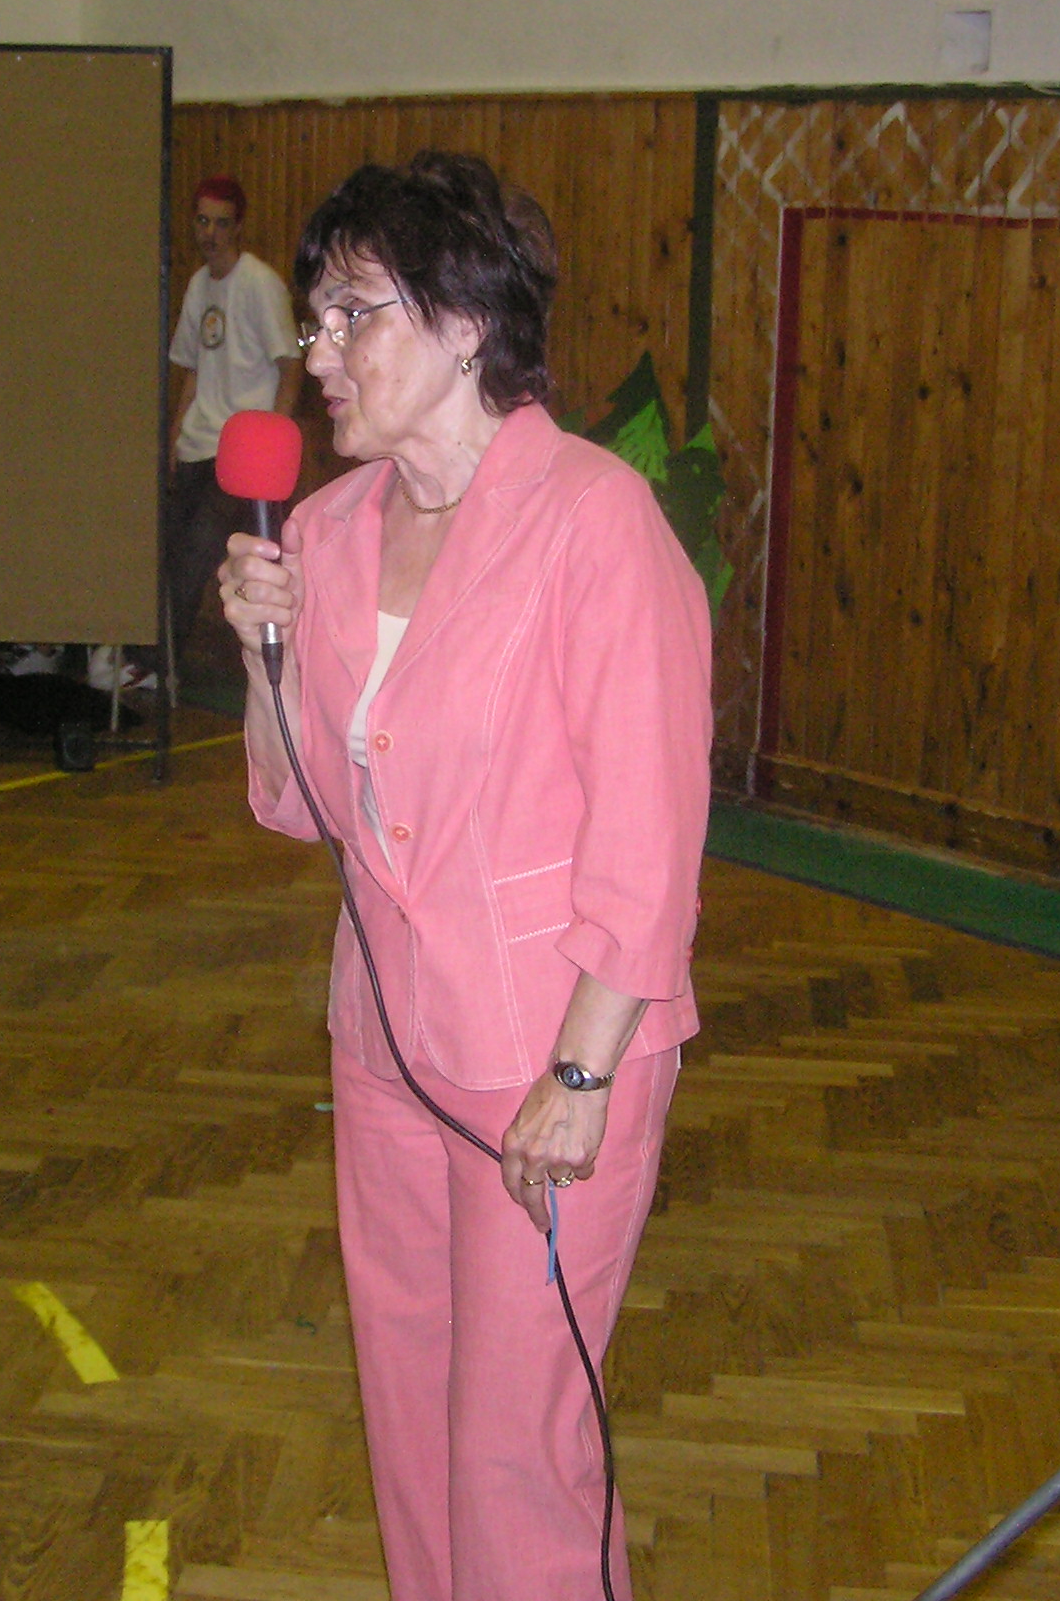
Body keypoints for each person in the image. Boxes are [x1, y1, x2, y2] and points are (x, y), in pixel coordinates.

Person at [217, 153, 712, 1600]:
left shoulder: (595, 522)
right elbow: (295, 802)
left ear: (463, 324)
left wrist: (581, 1075)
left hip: (547, 1056)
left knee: (514, 1447)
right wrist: (260, 655)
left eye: (351, 315)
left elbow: (650, 836)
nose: (318, 353)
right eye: (315, 319)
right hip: (383, 1039)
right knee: (411, 1415)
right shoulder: (325, 530)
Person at [157, 173, 301, 668]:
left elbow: (290, 366)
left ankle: (157, 666)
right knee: (172, 556)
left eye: (221, 223)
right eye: (202, 222)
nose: (210, 234)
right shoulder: (199, 285)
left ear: (237, 227)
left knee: (196, 558)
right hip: (197, 444)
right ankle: (160, 663)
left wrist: (269, 446)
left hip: (237, 452)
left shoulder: (259, 283)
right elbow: (194, 369)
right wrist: (175, 437)